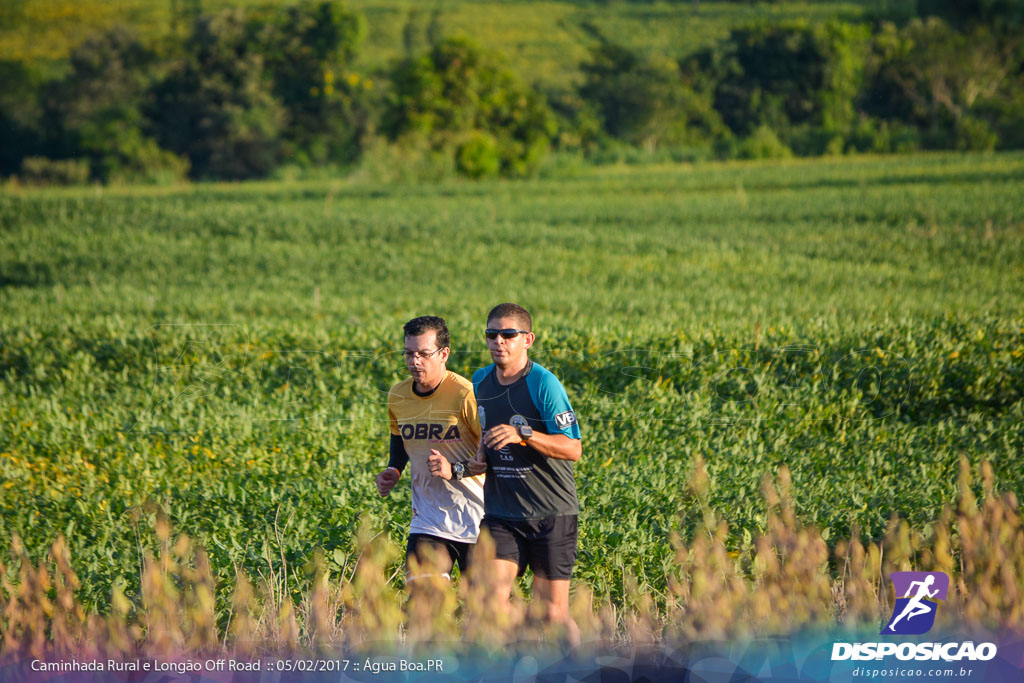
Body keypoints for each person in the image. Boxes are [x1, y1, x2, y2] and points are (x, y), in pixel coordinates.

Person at [468, 303, 582, 647]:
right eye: (491, 334)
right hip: (502, 514)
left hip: (551, 513)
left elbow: (572, 448)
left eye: (507, 334)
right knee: (488, 602)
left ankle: (584, 669)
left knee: (553, 612)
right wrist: (479, 456)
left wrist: (524, 435)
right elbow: (486, 434)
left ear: (527, 339)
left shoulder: (544, 384)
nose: (498, 341)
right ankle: (522, 660)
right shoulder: (480, 381)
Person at [376, 316, 485, 582]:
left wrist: (455, 470)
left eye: (423, 354)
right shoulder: (398, 396)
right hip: (427, 520)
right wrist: (394, 468)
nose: (414, 361)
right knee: (424, 606)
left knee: (483, 614)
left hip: (477, 519)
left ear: (444, 353)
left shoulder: (464, 394)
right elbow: (399, 437)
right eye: (409, 353)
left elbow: (491, 453)